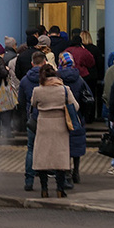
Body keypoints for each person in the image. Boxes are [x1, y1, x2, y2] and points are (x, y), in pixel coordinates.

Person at [30, 64, 75, 197]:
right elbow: (75, 106)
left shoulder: (38, 90)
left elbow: (33, 104)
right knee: (60, 159)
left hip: (43, 125)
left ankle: (44, 189)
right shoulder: (65, 90)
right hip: (61, 125)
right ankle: (60, 189)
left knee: (43, 159)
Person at [57, 52, 89, 184]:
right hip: (77, 116)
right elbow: (88, 98)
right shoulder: (80, 79)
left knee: (63, 146)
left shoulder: (57, 79)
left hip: (60, 116)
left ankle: (66, 172)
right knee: (76, 145)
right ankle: (76, 171)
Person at [18, 50, 48, 191]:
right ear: (44, 63)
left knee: (31, 149)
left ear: (32, 63)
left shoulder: (24, 80)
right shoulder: (49, 78)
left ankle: (29, 181)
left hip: (33, 119)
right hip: (48, 118)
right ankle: (48, 180)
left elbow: (21, 101)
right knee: (48, 149)